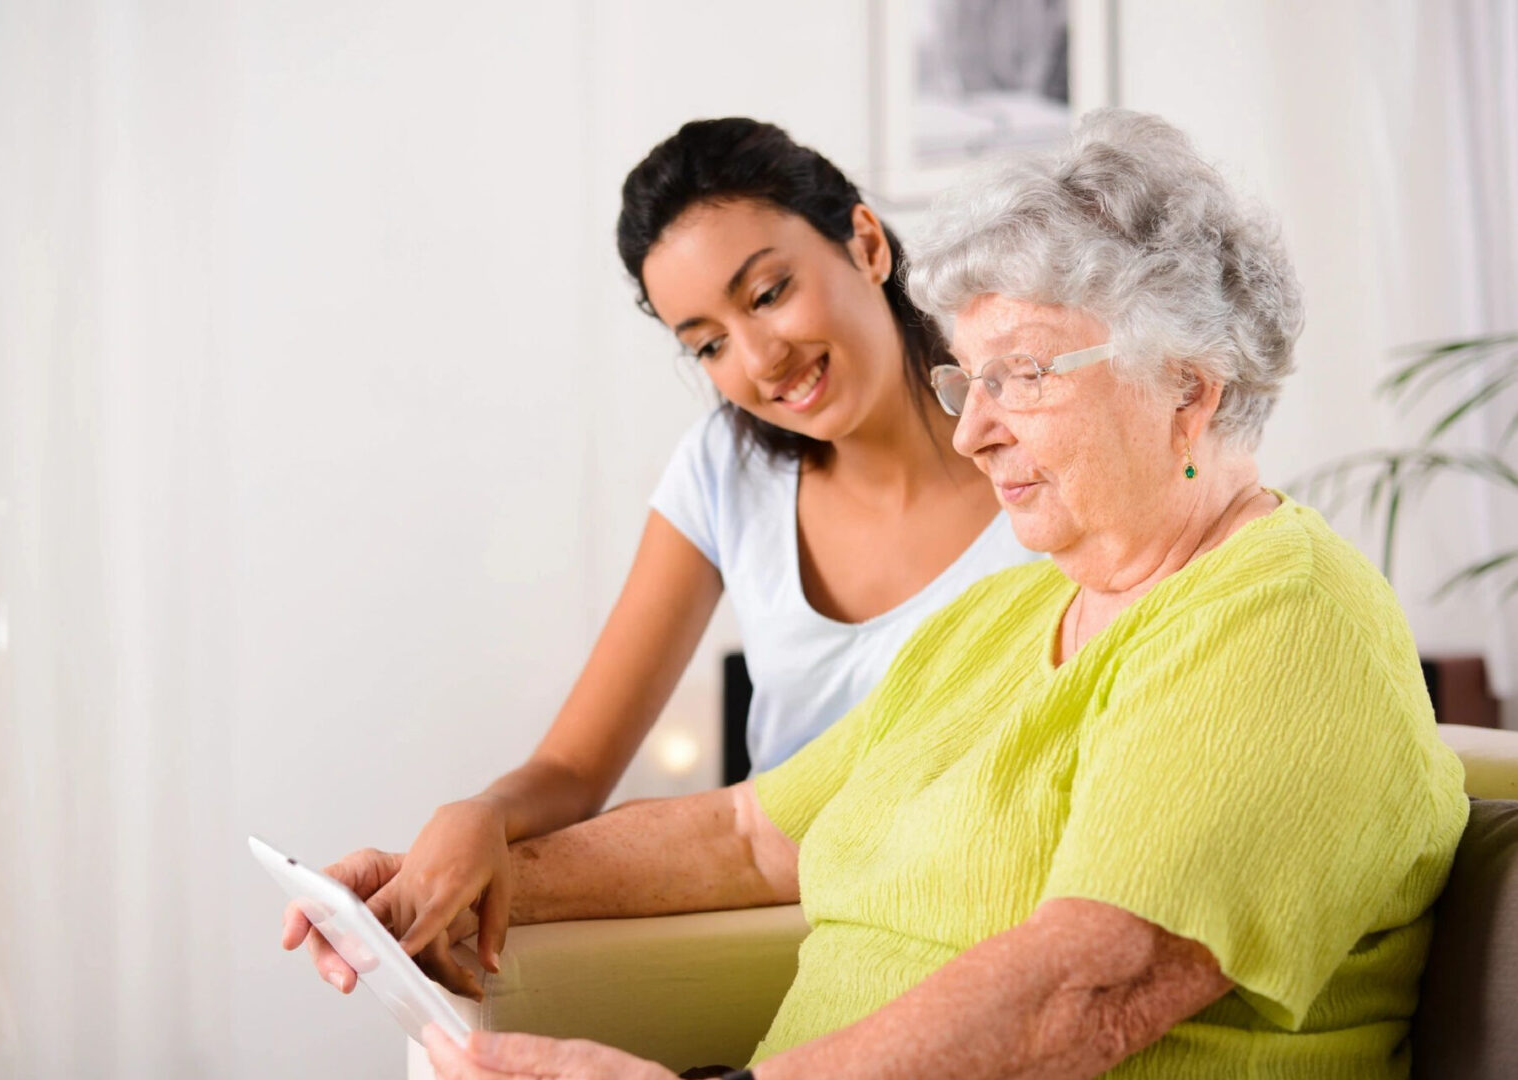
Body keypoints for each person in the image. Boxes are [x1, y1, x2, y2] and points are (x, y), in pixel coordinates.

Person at [399, 107, 1468, 1079]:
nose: (973, 429)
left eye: (1025, 376)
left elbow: (1082, 991)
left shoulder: (1284, 618)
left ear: (1187, 389)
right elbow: (751, 837)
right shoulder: (1003, 616)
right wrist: (450, 882)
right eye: (968, 379)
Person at [283, 119, 1037, 997]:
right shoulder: (726, 469)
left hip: (971, 919)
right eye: (707, 343)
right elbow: (573, 769)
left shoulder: (1039, 445)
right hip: (779, 928)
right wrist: (476, 821)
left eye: (767, 292)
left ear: (865, 243)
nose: (760, 360)